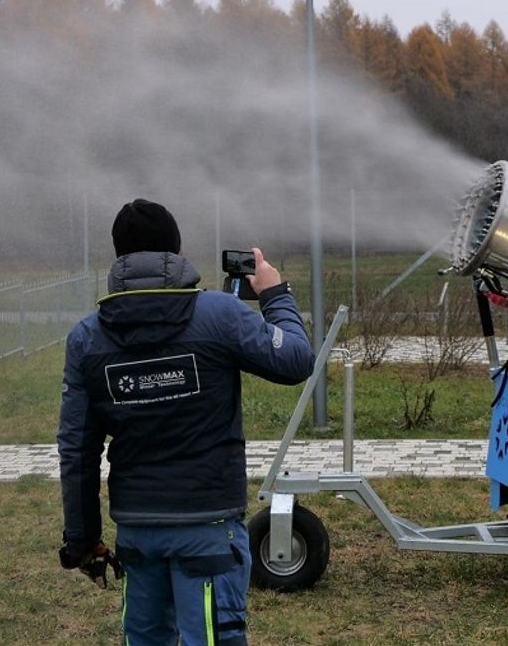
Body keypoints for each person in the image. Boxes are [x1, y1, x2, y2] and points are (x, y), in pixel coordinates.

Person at [57, 198, 315, 646]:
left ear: (119, 257)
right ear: (176, 253)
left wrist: (82, 541)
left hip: (138, 531)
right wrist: (274, 294)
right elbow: (295, 359)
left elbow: (77, 450)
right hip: (210, 531)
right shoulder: (219, 315)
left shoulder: (87, 337)